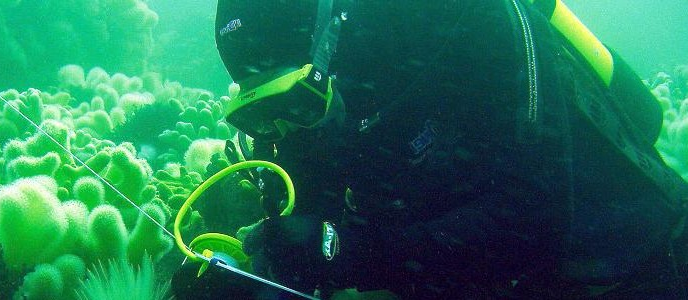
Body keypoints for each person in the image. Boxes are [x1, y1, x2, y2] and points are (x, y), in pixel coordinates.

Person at [177, 0, 688, 298]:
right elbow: (322, 225)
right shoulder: (340, 94)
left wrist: (345, 253)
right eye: (258, 114)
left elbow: (533, 221)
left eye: (295, 102)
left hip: (636, 271)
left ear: (333, 44)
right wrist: (262, 273)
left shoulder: (470, 22)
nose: (282, 134)